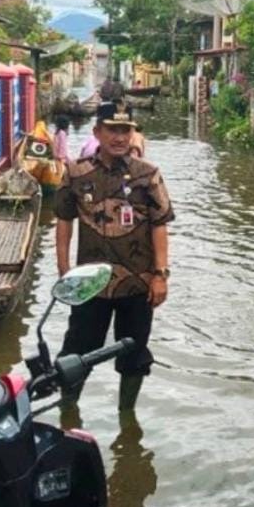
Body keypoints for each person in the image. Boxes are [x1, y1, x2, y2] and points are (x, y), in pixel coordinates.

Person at [55, 101, 174, 416]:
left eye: (126, 130)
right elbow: (64, 221)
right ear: (97, 132)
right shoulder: (76, 173)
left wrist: (161, 275)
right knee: (76, 353)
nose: (119, 137)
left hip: (139, 284)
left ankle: (127, 418)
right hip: (90, 285)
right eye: (113, 130)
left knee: (134, 354)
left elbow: (159, 225)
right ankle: (68, 412)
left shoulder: (147, 175)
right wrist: (65, 271)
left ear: (133, 134)